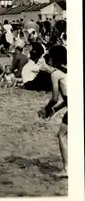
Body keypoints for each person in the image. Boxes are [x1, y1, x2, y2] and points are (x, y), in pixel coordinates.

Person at [37, 45, 68, 178]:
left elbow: (55, 98)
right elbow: (68, 101)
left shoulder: (55, 74)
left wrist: (47, 108)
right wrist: (54, 110)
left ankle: (66, 169)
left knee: (61, 135)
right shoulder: (68, 70)